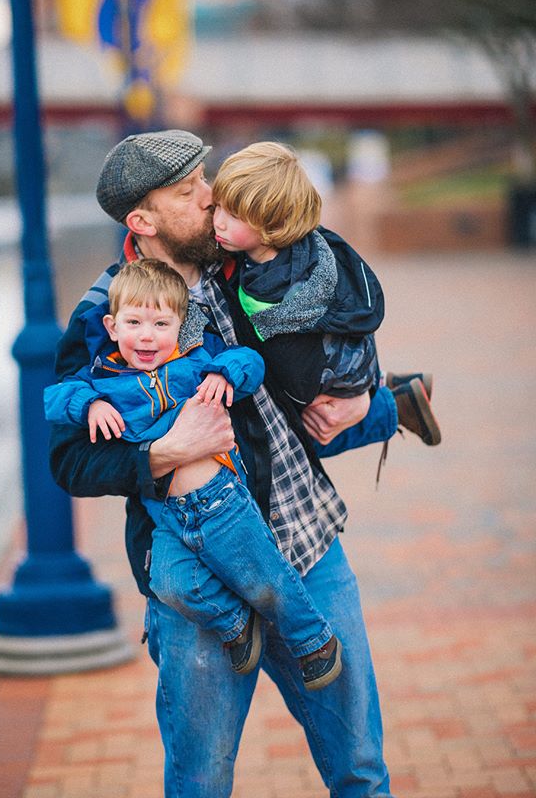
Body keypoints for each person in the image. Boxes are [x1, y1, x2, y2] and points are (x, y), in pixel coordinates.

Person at [49, 128, 395, 797]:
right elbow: (67, 462)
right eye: (189, 192)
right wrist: (160, 455)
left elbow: (333, 353)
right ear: (142, 221)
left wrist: (369, 405)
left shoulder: (248, 259)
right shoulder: (108, 314)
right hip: (198, 582)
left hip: (305, 549)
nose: (212, 199)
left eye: (206, 179)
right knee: (200, 784)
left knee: (360, 771)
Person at [44, 257, 343, 689]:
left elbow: (249, 361)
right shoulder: (103, 376)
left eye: (161, 325)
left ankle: (313, 639)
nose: (147, 336)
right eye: (134, 323)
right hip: (163, 509)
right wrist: (89, 404)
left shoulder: (195, 359)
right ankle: (235, 624)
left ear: (181, 325)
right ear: (111, 327)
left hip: (219, 495)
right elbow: (56, 399)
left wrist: (225, 373)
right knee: (171, 583)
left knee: (262, 574)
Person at [212, 140, 441, 448]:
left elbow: (296, 381)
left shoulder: (280, 290)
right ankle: (390, 387)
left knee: (298, 429)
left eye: (233, 215)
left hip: (336, 379)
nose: (218, 221)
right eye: (217, 207)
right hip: (353, 362)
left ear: (273, 223)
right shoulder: (300, 251)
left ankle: (390, 404)